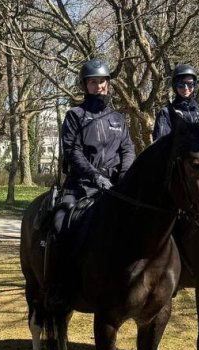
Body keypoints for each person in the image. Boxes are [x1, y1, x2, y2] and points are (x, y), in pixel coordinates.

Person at [44, 59, 135, 306]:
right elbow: (72, 151)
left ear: (108, 85)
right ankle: (58, 284)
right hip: (81, 184)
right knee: (60, 223)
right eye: (93, 82)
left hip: (114, 188)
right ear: (85, 86)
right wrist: (95, 175)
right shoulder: (75, 115)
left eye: (102, 82)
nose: (98, 87)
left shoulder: (118, 118)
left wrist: (124, 174)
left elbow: (128, 149)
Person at [152, 64, 199, 142]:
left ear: (194, 85)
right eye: (181, 84)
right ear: (175, 86)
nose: (186, 88)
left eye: (190, 84)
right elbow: (161, 146)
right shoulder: (166, 113)